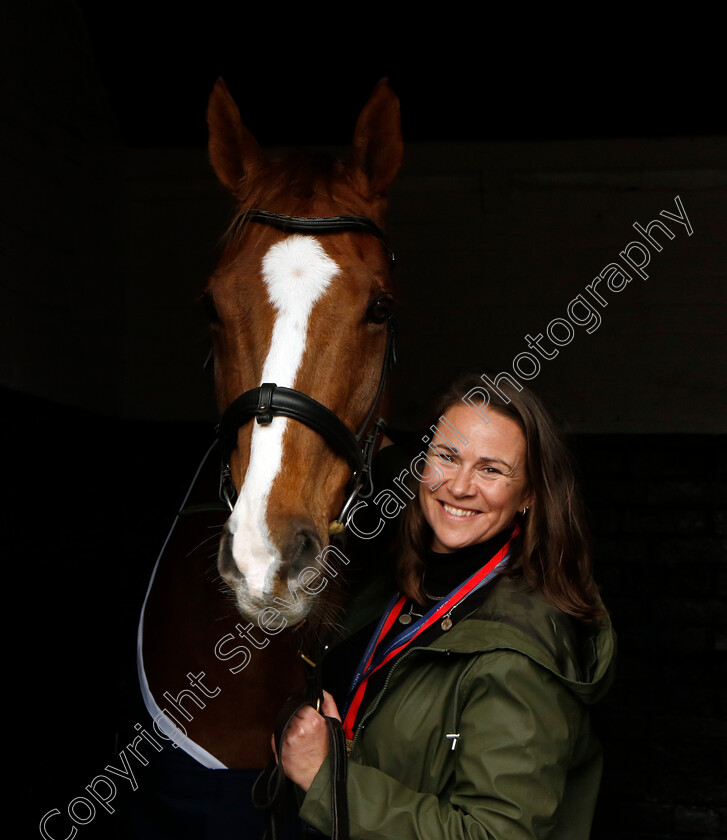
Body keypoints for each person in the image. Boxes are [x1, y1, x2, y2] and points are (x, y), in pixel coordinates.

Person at [278, 372, 616, 839]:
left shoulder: (517, 657)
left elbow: (492, 834)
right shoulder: (404, 574)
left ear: (531, 493)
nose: (458, 486)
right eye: (446, 456)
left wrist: (328, 781)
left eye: (491, 469)